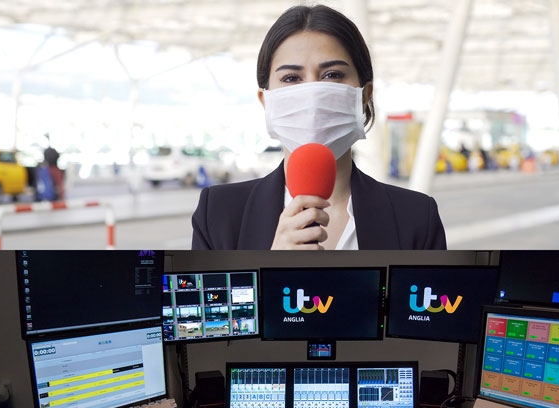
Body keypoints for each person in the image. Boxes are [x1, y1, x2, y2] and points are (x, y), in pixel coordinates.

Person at [191, 5, 446, 250]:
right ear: (265, 101)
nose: (312, 94)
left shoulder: (417, 217)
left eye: (332, 75)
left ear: (364, 94)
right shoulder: (217, 214)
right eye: (291, 78)